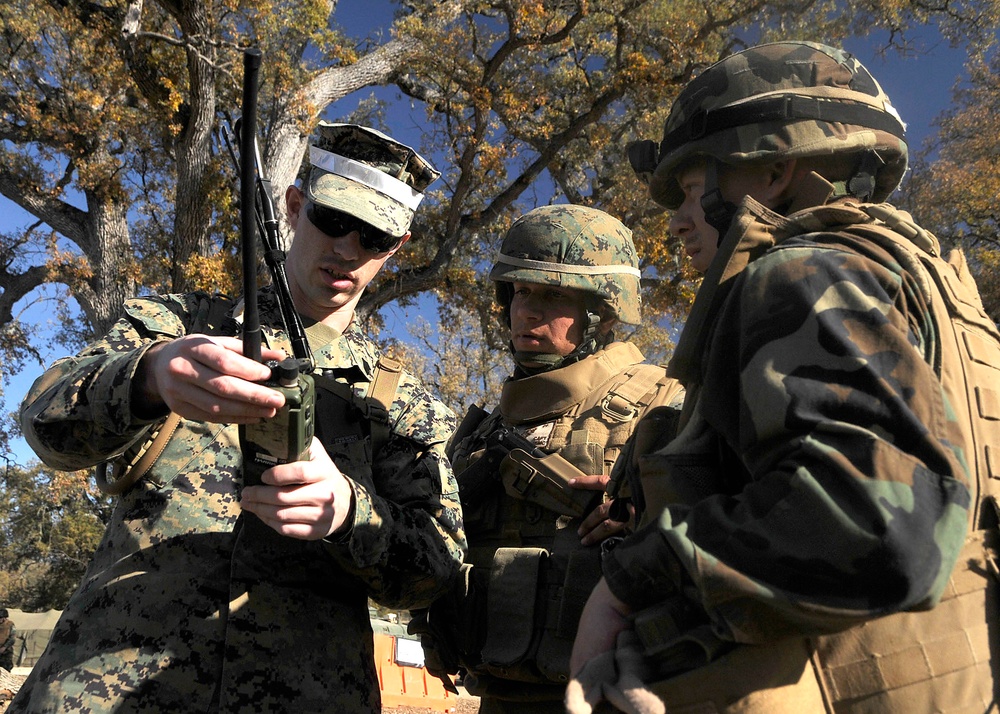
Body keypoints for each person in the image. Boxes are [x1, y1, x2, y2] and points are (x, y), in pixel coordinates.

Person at [568, 41, 1000, 714]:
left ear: (771, 169)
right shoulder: (939, 292)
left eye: (689, 190)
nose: (679, 220)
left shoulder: (799, 272)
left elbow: (878, 524)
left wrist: (628, 581)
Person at [13, 122, 465, 713]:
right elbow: (45, 424)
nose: (348, 249)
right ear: (296, 206)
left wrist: (353, 514)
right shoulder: (178, 327)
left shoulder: (403, 406)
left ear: (396, 247)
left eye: (374, 236)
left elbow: (437, 571)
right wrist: (148, 377)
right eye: (333, 220)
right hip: (105, 687)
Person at [411, 204, 685, 713]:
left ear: (604, 311)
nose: (528, 311)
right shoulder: (491, 427)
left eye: (554, 294)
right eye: (521, 292)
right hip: (496, 690)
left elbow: (732, 533)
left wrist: (646, 523)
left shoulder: (663, 403)